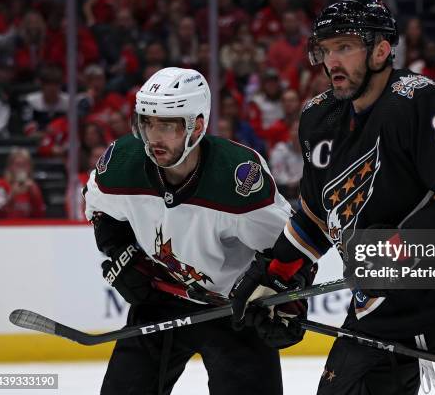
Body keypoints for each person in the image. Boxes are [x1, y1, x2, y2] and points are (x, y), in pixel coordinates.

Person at [231, 0, 435, 395]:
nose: (332, 61)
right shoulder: (317, 119)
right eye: (325, 49)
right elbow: (318, 217)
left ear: (381, 49)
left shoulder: (420, 101)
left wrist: (393, 252)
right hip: (381, 310)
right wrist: (279, 275)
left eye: (345, 47)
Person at [84, 67, 311, 394]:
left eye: (167, 125)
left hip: (235, 310)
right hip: (160, 299)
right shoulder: (124, 163)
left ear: (198, 126)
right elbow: (98, 208)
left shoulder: (237, 179)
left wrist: (288, 299)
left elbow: (290, 245)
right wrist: (121, 252)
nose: (153, 138)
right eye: (147, 123)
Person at [0, 147, 46, 219]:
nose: (21, 168)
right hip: (5, 227)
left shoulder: (33, 187)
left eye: (24, 164)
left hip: (27, 228)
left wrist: (35, 196)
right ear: (10, 167)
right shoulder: (0, 185)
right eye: (18, 164)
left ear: (30, 167)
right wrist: (12, 195)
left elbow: (40, 216)